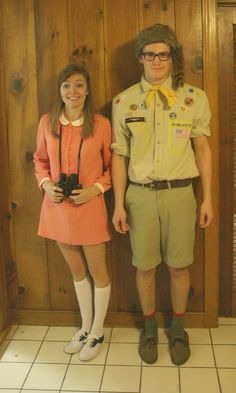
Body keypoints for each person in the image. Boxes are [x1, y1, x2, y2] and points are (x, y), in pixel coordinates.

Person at [111, 24, 213, 365]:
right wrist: (118, 205)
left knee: (179, 266)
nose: (157, 60)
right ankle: (151, 328)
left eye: (163, 54)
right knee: (144, 267)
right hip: (139, 196)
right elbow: (119, 155)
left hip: (180, 194)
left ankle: (179, 328)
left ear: (173, 58)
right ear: (140, 58)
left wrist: (207, 198)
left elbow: (203, 149)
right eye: (150, 54)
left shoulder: (193, 98)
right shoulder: (124, 101)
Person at [34, 63, 112, 361]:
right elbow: (39, 160)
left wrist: (96, 189)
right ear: (59, 90)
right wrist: (46, 184)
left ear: (87, 90)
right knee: (77, 272)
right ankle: (84, 327)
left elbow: (111, 168)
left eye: (79, 85)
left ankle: (98, 331)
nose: (73, 91)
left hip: (89, 207)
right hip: (56, 209)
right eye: (67, 85)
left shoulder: (101, 124)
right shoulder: (47, 122)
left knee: (97, 270)